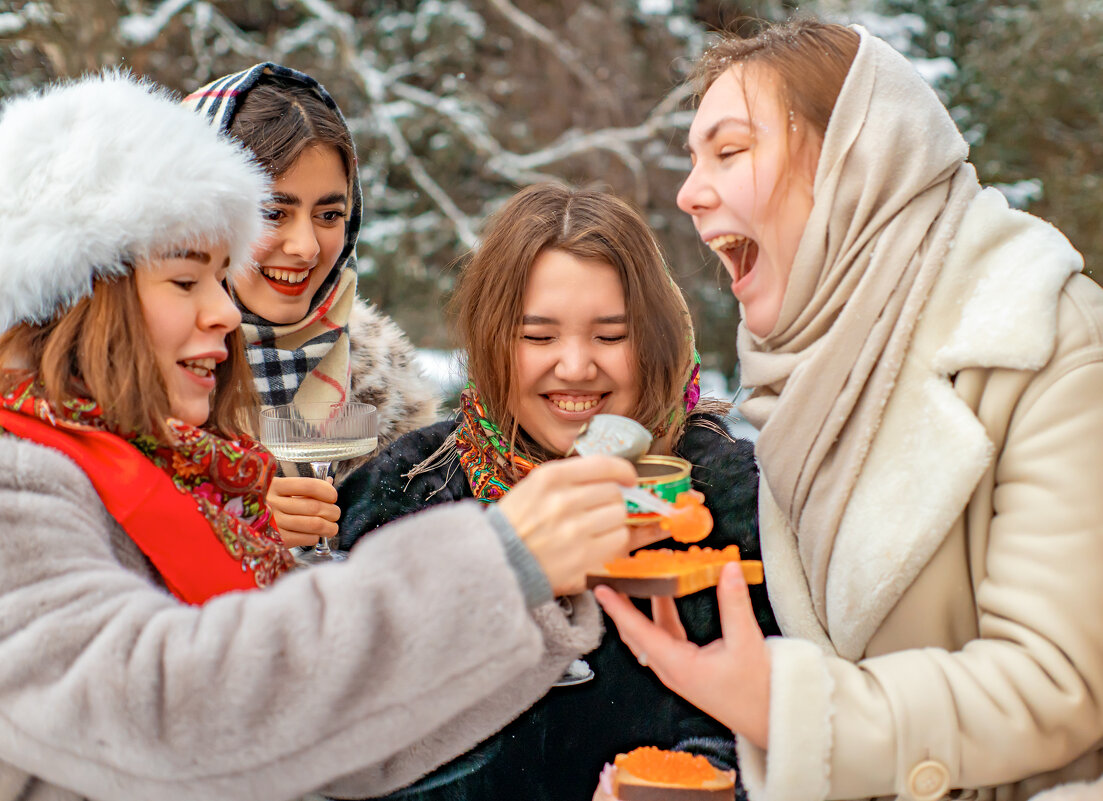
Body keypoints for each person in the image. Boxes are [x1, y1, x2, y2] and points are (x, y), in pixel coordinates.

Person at [0, 72, 649, 801]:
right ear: (78, 292)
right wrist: (497, 562)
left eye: (221, 277)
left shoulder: (167, 460)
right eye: (187, 282)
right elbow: (167, 710)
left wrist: (530, 594)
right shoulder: (19, 479)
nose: (224, 314)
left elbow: (326, 738)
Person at [596, 18, 1103, 801]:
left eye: (729, 152)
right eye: (694, 160)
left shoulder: (1042, 337)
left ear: (853, 162)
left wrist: (789, 709)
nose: (689, 193)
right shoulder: (816, 367)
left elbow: (1059, 682)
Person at [337, 183, 773, 801]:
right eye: (538, 337)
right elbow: (345, 727)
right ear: (492, 338)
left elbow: (792, 706)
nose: (575, 366)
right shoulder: (406, 487)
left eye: (610, 335)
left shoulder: (725, 491)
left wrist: (699, 777)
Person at [183, 64, 439, 547]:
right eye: (273, 212)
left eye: (328, 214)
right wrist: (242, 523)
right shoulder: (135, 380)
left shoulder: (383, 384)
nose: (306, 246)